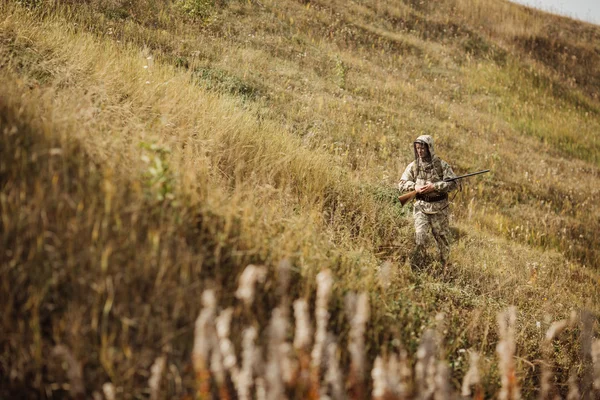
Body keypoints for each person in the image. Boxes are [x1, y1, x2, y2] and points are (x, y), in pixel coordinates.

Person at [398, 135, 458, 269]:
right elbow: (401, 184)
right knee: (420, 237)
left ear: (429, 148)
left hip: (439, 209)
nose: (420, 151)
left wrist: (435, 186)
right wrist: (415, 187)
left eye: (422, 148)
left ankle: (445, 268)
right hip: (421, 207)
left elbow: (454, 184)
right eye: (417, 148)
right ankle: (418, 267)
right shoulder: (414, 166)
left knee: (442, 239)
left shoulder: (442, 165)